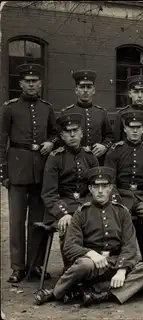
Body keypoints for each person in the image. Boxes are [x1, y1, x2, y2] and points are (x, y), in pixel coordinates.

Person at [33, 166, 143, 307]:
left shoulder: (122, 212)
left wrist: (121, 270)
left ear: (110, 188)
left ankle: (98, 294)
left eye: (104, 186)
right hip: (93, 266)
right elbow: (70, 246)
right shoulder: (81, 213)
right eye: (96, 186)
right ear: (90, 189)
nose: (100, 191)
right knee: (84, 264)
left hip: (115, 262)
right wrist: (90, 254)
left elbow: (130, 245)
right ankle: (56, 293)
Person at [0, 63, 59, 283]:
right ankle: (17, 267)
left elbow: (56, 133)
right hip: (17, 169)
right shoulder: (10, 107)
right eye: (28, 81)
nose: (32, 85)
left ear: (40, 84)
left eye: (35, 81)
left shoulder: (47, 108)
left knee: (37, 221)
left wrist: (50, 143)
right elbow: (2, 140)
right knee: (16, 221)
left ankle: (35, 265)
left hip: (40, 171)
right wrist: (3, 172)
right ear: (21, 84)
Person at [41, 113, 99, 268]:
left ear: (82, 133)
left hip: (85, 203)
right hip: (63, 205)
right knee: (68, 226)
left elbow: (96, 187)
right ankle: (70, 273)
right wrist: (62, 213)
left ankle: (92, 273)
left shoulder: (90, 156)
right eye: (68, 131)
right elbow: (49, 193)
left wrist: (89, 206)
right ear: (62, 135)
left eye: (75, 130)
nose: (72, 135)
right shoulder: (55, 157)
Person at [105, 110, 143, 259]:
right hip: (122, 196)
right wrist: (115, 200)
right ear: (125, 129)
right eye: (131, 127)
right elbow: (109, 181)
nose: (135, 131)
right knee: (117, 217)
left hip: (142, 198)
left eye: (138, 127)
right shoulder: (115, 150)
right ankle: (122, 258)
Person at [60, 70, 114, 163]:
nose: (85, 90)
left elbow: (110, 136)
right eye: (82, 87)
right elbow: (60, 139)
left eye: (89, 87)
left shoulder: (101, 112)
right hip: (73, 161)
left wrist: (104, 146)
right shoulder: (66, 112)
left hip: (97, 160)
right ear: (76, 90)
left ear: (94, 90)